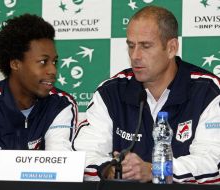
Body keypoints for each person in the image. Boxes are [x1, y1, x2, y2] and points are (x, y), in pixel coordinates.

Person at [72, 5, 220, 184]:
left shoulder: (208, 91)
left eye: (145, 46)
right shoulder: (111, 92)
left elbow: (212, 161)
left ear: (172, 48)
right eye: (131, 46)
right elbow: (83, 156)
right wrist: (111, 169)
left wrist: (155, 170)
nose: (135, 56)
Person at [0, 14, 77, 179]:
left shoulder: (60, 105)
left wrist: (9, 167)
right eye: (43, 62)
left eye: (54, 62)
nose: (53, 71)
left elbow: (60, 162)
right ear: (15, 63)